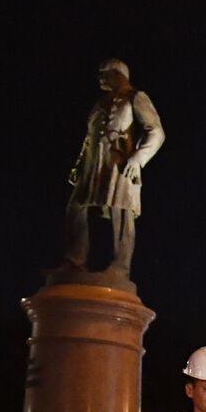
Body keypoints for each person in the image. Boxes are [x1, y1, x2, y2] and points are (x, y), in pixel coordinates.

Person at [64, 58, 165, 276]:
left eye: (105, 73)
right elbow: (89, 137)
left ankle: (120, 267)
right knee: (77, 205)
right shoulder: (100, 103)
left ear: (118, 74)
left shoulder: (136, 97)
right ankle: (75, 260)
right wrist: (80, 164)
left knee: (121, 210)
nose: (100, 78)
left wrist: (138, 158)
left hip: (120, 162)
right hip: (95, 162)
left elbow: (156, 131)